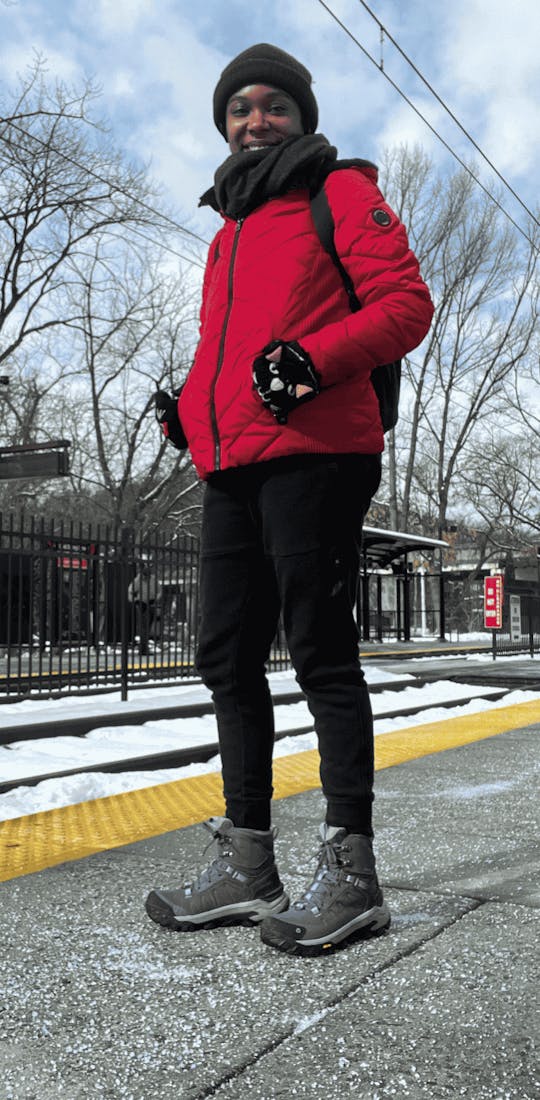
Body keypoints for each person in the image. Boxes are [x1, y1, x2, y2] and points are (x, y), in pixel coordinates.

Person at [146, 43, 433, 955]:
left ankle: (353, 871)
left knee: (319, 648)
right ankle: (248, 861)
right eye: (239, 108)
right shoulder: (226, 233)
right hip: (232, 463)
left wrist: (310, 362)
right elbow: (222, 356)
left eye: (273, 105)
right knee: (226, 652)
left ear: (301, 116)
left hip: (318, 452)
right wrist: (192, 412)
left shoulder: (339, 192)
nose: (254, 120)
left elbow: (404, 305)